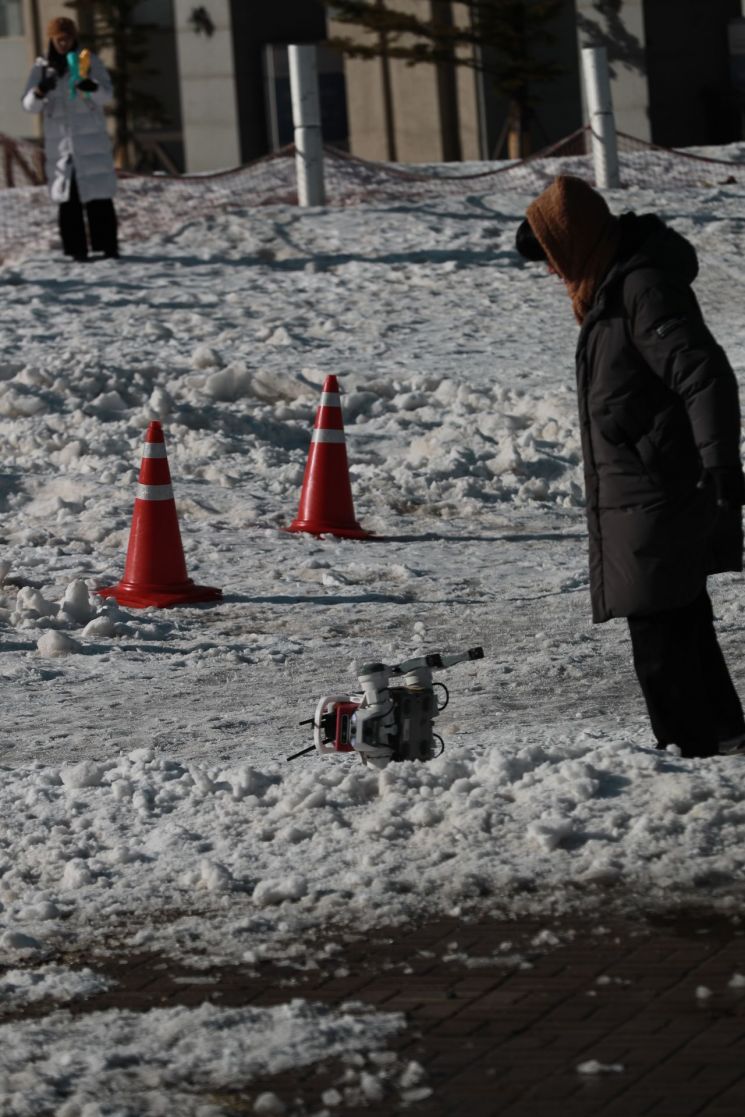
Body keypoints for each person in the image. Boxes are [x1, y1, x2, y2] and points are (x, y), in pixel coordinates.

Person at [515, 174, 745, 759]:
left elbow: (704, 376)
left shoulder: (641, 291)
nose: (550, 271)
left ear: (578, 242)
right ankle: (721, 739)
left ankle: (690, 754)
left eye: (551, 255)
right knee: (680, 621)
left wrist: (721, 468)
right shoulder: (609, 295)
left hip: (661, 490)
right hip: (643, 489)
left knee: (660, 638)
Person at [22, 16, 119, 261]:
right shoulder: (42, 67)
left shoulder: (90, 61)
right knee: (68, 197)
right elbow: (29, 105)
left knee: (99, 196)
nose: (63, 43)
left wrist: (90, 86)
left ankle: (107, 247)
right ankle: (76, 250)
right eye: (59, 39)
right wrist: (40, 90)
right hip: (61, 144)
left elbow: (106, 94)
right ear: (52, 40)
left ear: (74, 38)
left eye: (67, 38)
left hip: (90, 142)